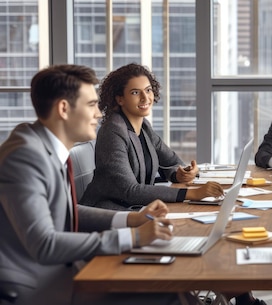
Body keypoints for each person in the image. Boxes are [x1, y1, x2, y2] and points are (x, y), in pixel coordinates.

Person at [0, 64, 191, 305]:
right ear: (64, 109)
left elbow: (68, 210)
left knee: (176, 287)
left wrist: (132, 220)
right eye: (91, 105)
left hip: (59, 271)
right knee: (169, 294)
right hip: (36, 286)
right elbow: (45, 244)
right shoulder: (25, 158)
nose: (99, 114)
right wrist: (132, 238)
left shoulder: (41, 146)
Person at [81, 63, 224, 210]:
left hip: (137, 209)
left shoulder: (144, 127)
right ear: (120, 99)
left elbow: (171, 162)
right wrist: (192, 193)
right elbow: (130, 191)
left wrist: (181, 174)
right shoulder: (113, 132)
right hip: (108, 214)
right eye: (135, 93)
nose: (145, 98)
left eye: (148, 90)